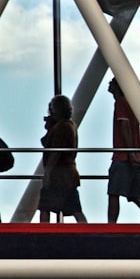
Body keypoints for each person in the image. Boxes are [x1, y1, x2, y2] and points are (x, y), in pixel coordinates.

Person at [38, 94, 87, 223]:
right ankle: (88, 233)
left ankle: (43, 236)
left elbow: (55, 151)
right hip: (68, 174)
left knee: (45, 206)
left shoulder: (62, 127)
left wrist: (48, 172)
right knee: (75, 208)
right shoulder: (70, 125)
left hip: (59, 174)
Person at [107, 78, 140, 222]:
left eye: (112, 82)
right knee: (136, 195)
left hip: (123, 157)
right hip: (133, 156)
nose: (109, 84)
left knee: (113, 192)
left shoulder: (121, 103)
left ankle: (111, 226)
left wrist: (130, 152)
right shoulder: (131, 104)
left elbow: (125, 127)